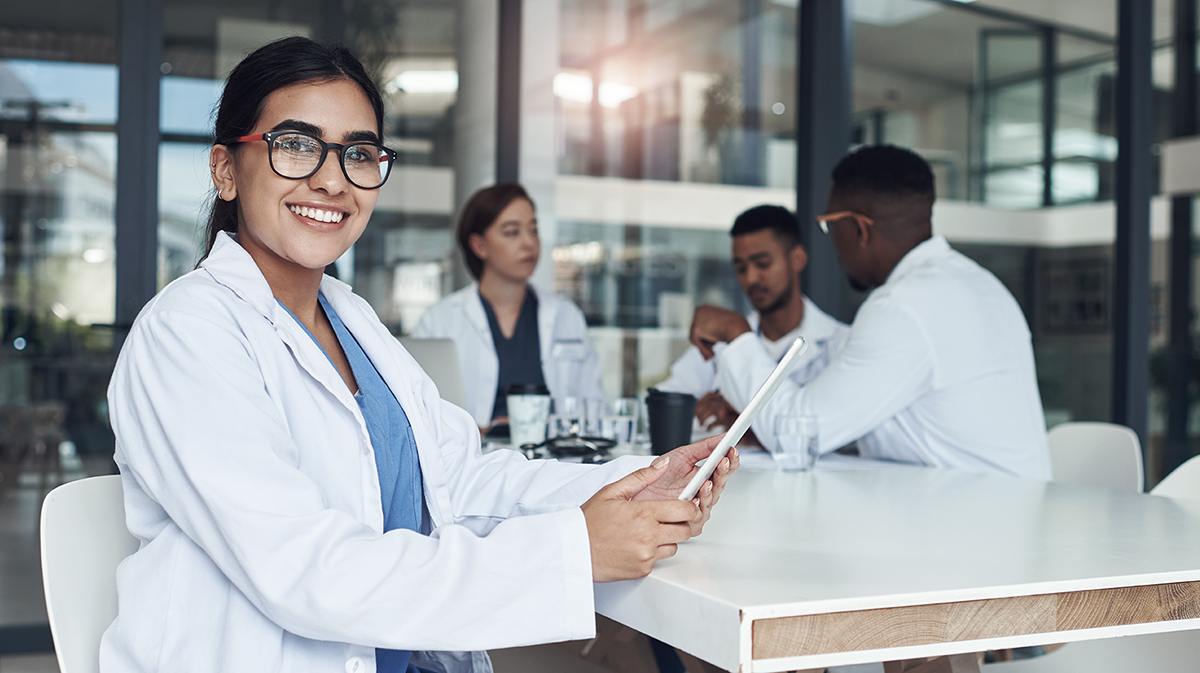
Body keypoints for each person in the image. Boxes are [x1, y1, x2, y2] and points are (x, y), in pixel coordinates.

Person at [102, 37, 737, 673]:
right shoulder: (187, 333)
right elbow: (305, 571)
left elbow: (460, 480)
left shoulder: (352, 320)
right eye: (294, 145)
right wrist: (574, 550)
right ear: (224, 169)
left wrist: (635, 483)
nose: (331, 178)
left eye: (358, 152)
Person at [689, 145, 1050, 480]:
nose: (832, 242)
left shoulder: (903, 307)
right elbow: (895, 424)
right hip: (999, 508)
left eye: (831, 226)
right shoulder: (982, 285)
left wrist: (737, 334)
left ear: (859, 229)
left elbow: (795, 431)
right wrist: (756, 429)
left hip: (978, 524)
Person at [413, 183, 604, 430]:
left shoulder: (566, 316)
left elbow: (596, 408)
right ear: (479, 245)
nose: (529, 243)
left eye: (533, 230)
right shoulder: (439, 321)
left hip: (554, 461)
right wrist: (475, 432)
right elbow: (418, 411)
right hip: (475, 460)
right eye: (512, 232)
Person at [655, 205, 848, 431]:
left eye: (762, 264)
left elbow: (842, 433)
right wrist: (710, 412)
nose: (751, 278)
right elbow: (661, 407)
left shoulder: (841, 344)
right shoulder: (719, 345)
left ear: (797, 258)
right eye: (740, 268)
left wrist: (746, 421)